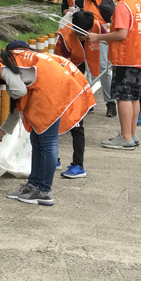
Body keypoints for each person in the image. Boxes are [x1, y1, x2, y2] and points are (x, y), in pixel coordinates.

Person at [0, 41, 94, 206]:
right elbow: (18, 106)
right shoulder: (12, 60)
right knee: (37, 141)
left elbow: (19, 91)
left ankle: (44, 191)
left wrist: (10, 88)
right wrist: (2, 131)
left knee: (47, 144)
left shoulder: (1, 65)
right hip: (55, 86)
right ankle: (33, 185)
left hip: (51, 92)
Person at [87, 0, 141, 150]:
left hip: (125, 57)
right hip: (140, 57)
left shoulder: (122, 6)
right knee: (134, 97)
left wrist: (98, 37)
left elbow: (122, 33)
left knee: (123, 98)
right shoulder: (140, 3)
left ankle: (125, 137)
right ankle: (131, 134)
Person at [62, 0, 116, 117]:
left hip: (95, 28)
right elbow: (63, 6)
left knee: (101, 66)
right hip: (76, 29)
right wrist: (66, 12)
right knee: (79, 65)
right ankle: (87, 101)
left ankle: (110, 102)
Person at [53, 11, 105, 179]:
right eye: (79, 34)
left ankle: (78, 165)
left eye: (85, 34)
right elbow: (61, 65)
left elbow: (111, 36)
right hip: (63, 79)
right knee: (54, 120)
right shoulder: (64, 36)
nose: (82, 37)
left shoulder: (96, 27)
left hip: (80, 81)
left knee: (77, 124)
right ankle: (54, 157)